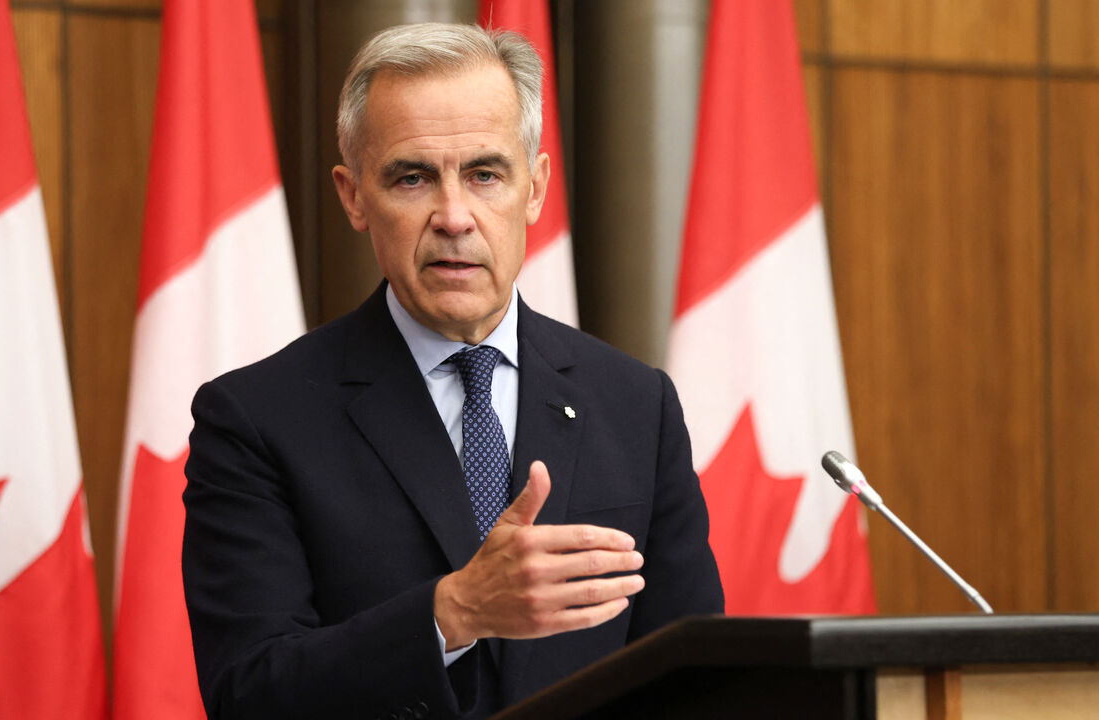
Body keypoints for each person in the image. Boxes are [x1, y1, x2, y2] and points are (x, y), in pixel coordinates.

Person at [182, 22, 723, 719]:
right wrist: (453, 612)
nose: (455, 216)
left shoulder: (634, 404)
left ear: (535, 188)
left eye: (485, 174)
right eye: (412, 177)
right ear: (353, 197)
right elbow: (249, 691)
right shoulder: (256, 419)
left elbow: (697, 672)